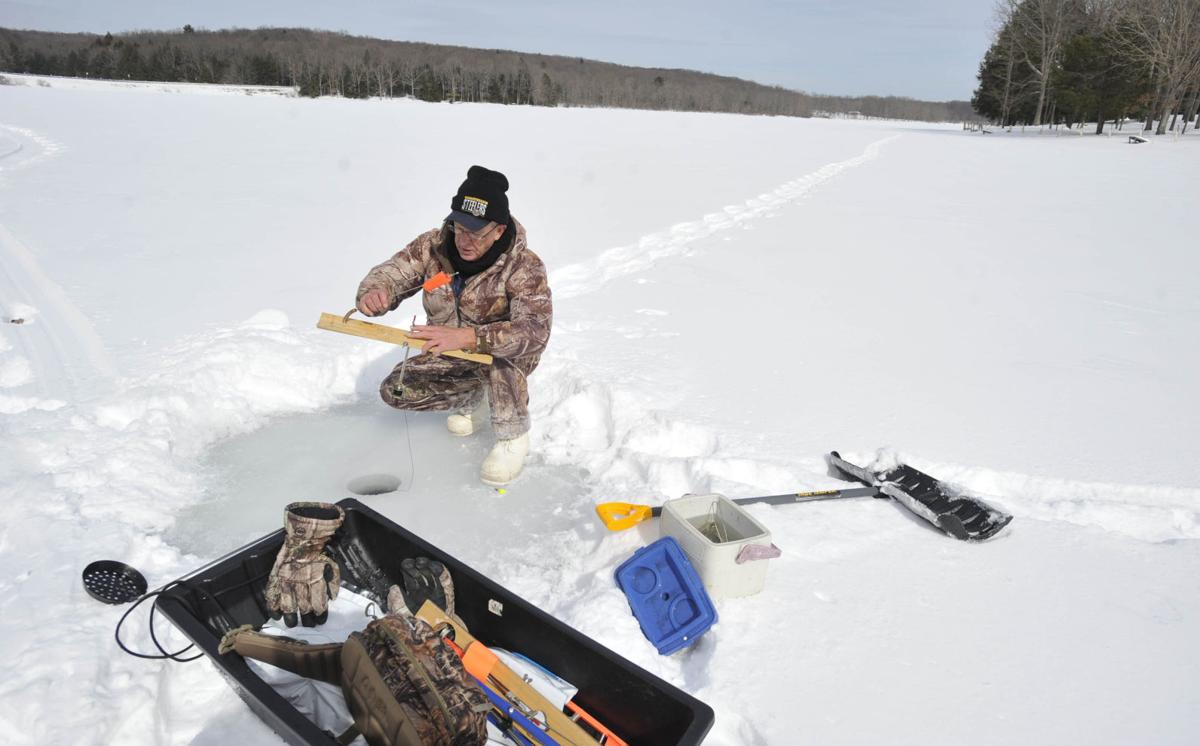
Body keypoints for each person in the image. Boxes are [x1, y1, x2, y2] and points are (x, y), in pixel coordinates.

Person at [355, 166, 552, 486]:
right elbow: (391, 273)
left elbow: (534, 332)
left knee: (502, 356)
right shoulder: (432, 247)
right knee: (396, 390)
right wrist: (376, 292)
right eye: (458, 227)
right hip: (451, 350)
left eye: (475, 233)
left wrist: (470, 336)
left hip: (506, 356)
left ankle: (513, 437)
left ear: (499, 230)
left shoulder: (524, 266)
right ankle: (473, 395)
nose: (464, 240)